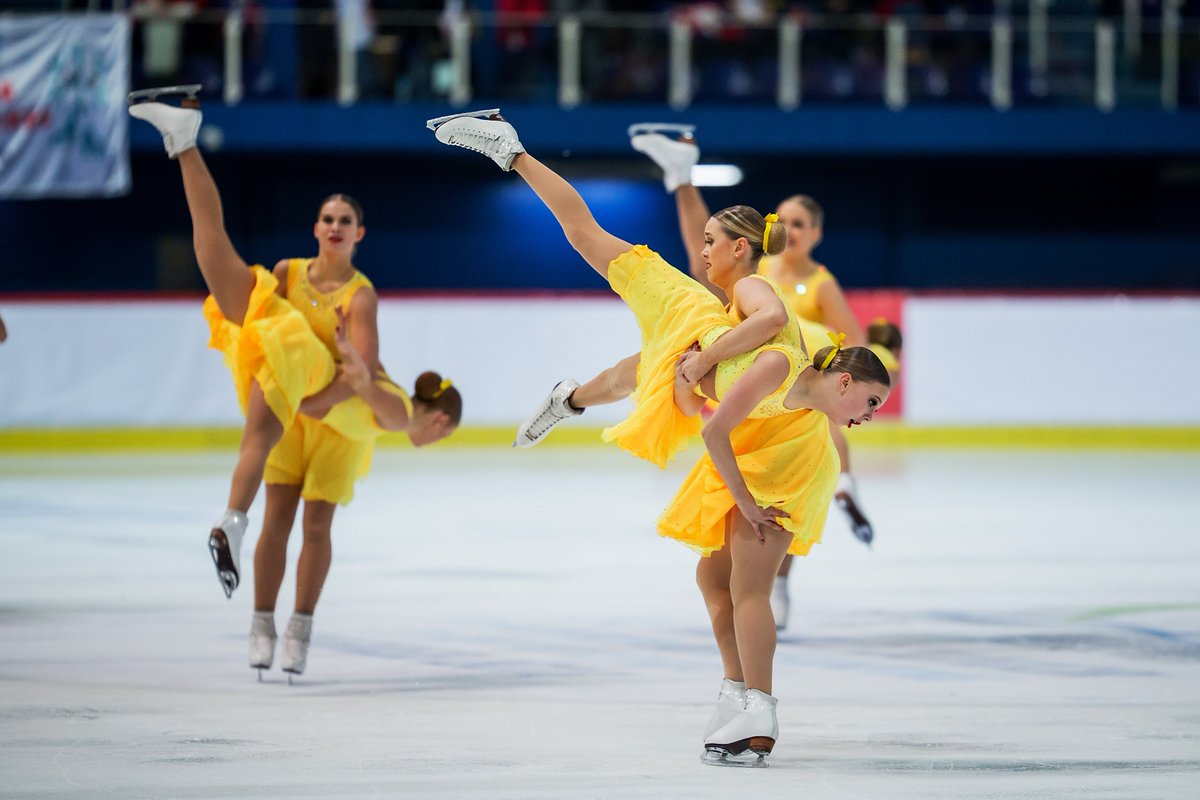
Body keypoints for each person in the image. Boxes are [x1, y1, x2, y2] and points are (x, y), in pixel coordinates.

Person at [428, 109, 891, 765]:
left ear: (738, 249)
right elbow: (705, 380)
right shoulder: (736, 312)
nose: (701, 251)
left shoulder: (758, 302)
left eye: (710, 241)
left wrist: (700, 366)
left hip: (769, 443)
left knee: (594, 254)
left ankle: (757, 705)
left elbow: (770, 324)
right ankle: (739, 692)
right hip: (740, 401)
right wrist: (694, 372)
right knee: (712, 573)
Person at [128, 87, 463, 678]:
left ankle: (299, 627)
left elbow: (359, 374)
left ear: (360, 234)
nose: (336, 226)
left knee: (315, 522)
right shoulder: (285, 274)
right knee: (278, 511)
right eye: (329, 218)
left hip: (336, 419)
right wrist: (293, 396)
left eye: (347, 221)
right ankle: (260, 619)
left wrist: (307, 400)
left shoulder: (362, 296)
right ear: (316, 228)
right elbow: (294, 354)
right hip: (298, 395)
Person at [631, 127, 888, 630]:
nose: (791, 229)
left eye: (800, 223)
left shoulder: (819, 283)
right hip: (765, 390)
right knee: (692, 276)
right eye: (784, 220)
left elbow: (852, 351)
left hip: (796, 399)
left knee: (781, 496)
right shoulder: (757, 271)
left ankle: (781, 581)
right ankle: (681, 177)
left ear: (814, 233)